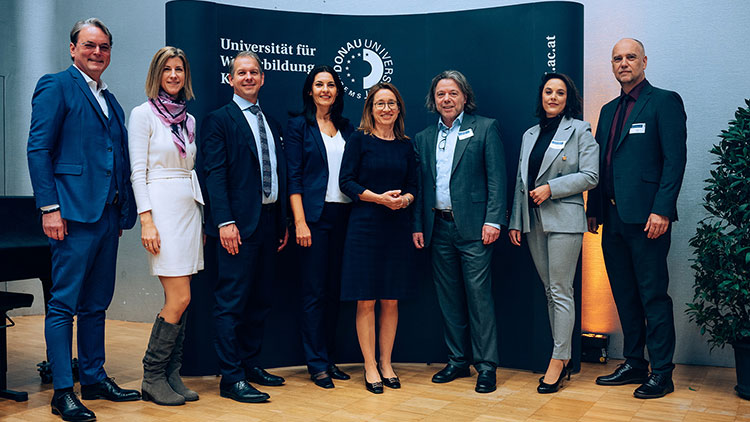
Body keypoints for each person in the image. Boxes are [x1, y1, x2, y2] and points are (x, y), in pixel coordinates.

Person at [27, 18, 140, 421]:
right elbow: (38, 149)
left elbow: (116, 157)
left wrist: (122, 209)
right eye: (90, 45)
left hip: (107, 215)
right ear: (73, 48)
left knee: (96, 304)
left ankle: (93, 378)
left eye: (104, 47)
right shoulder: (56, 85)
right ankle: (62, 391)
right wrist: (49, 208)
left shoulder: (111, 100)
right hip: (71, 214)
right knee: (63, 304)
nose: (97, 52)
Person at [587, 38, 687, 399]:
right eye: (617, 58)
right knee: (624, 294)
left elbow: (674, 161)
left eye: (631, 57)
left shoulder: (664, 101)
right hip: (612, 218)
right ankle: (634, 362)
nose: (624, 63)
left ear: (644, 62)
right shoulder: (608, 110)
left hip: (648, 219)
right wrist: (594, 209)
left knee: (653, 296)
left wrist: (662, 209)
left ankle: (662, 372)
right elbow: (601, 163)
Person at [200, 51, 289, 403]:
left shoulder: (271, 123)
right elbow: (214, 174)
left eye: (254, 72)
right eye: (241, 73)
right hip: (236, 226)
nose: (248, 77)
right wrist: (224, 221)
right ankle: (231, 377)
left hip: (268, 223)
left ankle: (250, 364)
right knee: (231, 302)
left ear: (263, 78)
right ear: (231, 79)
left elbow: (278, 173)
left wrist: (281, 221)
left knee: (261, 300)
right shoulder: (218, 120)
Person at [412, 70, 506, 394]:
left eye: (453, 93)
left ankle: (486, 366)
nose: (447, 99)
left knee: (479, 299)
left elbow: (497, 178)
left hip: (476, 229)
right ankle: (457, 360)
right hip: (438, 227)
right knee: (448, 298)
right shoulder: (424, 137)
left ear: (465, 97)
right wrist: (417, 225)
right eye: (441, 94)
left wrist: (494, 220)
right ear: (433, 100)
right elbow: (420, 187)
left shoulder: (485, 128)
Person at [508, 73, 599, 394]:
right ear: (541, 96)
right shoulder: (530, 134)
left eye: (560, 93)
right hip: (533, 221)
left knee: (561, 291)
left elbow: (591, 175)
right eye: (548, 91)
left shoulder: (580, 130)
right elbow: (521, 182)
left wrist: (551, 188)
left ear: (568, 98)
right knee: (550, 291)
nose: (553, 97)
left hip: (564, 220)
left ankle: (559, 360)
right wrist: (515, 221)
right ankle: (562, 355)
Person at [128, 46, 203, 406]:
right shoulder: (142, 115)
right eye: (167, 69)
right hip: (161, 211)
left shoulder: (189, 120)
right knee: (179, 297)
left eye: (179, 69)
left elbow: (189, 169)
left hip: (188, 209)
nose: (174, 75)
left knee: (183, 299)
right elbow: (137, 172)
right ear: (156, 74)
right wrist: (147, 220)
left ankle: (172, 374)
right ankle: (152, 376)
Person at [339, 82, 417, 394]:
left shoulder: (406, 145)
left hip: (396, 228)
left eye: (391, 103)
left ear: (399, 109)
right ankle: (369, 365)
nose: (386, 109)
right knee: (366, 299)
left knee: (391, 298)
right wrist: (379, 199)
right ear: (370, 109)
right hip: (364, 227)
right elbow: (346, 182)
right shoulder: (359, 139)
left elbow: (413, 185)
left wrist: (404, 200)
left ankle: (386, 363)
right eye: (380, 103)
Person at [285, 65, 354, 389]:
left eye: (331, 85)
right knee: (313, 293)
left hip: (346, 217)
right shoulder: (299, 126)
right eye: (319, 84)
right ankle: (316, 364)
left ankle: (329, 359)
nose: (325, 89)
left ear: (338, 91)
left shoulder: (346, 127)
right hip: (314, 218)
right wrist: (300, 222)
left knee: (334, 292)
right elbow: (294, 177)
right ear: (310, 90)